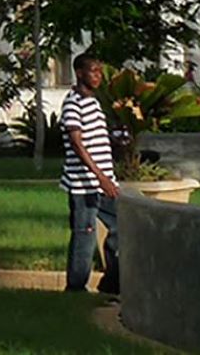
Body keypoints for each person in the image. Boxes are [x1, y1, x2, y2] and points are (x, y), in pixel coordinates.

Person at [61, 52, 120, 296]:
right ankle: (75, 288)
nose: (98, 76)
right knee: (85, 234)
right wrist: (99, 176)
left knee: (121, 227)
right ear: (80, 73)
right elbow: (76, 142)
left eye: (99, 72)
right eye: (93, 71)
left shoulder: (93, 101)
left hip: (104, 184)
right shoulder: (73, 102)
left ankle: (112, 282)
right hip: (83, 185)